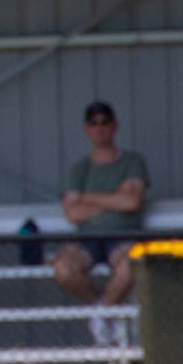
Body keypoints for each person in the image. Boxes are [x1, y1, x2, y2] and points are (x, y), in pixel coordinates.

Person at [51, 100, 150, 342]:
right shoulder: (79, 169)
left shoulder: (132, 161)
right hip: (87, 239)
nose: (100, 128)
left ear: (115, 125)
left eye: (105, 122)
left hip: (123, 236)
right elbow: (73, 214)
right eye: (93, 123)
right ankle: (103, 310)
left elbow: (131, 203)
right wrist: (114, 198)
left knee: (131, 265)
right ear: (86, 129)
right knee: (63, 269)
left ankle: (102, 314)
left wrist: (87, 197)